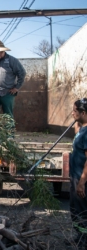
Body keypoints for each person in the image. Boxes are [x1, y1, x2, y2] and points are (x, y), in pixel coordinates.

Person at [0, 40, 26, 134]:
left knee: (8, 116)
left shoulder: (12, 60)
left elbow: (22, 73)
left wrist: (16, 87)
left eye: (1, 52)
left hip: (7, 93)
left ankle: (10, 137)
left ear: (4, 51)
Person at [69, 98, 87, 246]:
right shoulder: (82, 128)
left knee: (82, 211)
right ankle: (79, 237)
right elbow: (77, 129)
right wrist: (78, 119)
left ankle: (84, 240)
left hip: (81, 178)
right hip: (75, 175)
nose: (72, 113)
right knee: (75, 209)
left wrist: (82, 182)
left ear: (83, 113)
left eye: (75, 111)